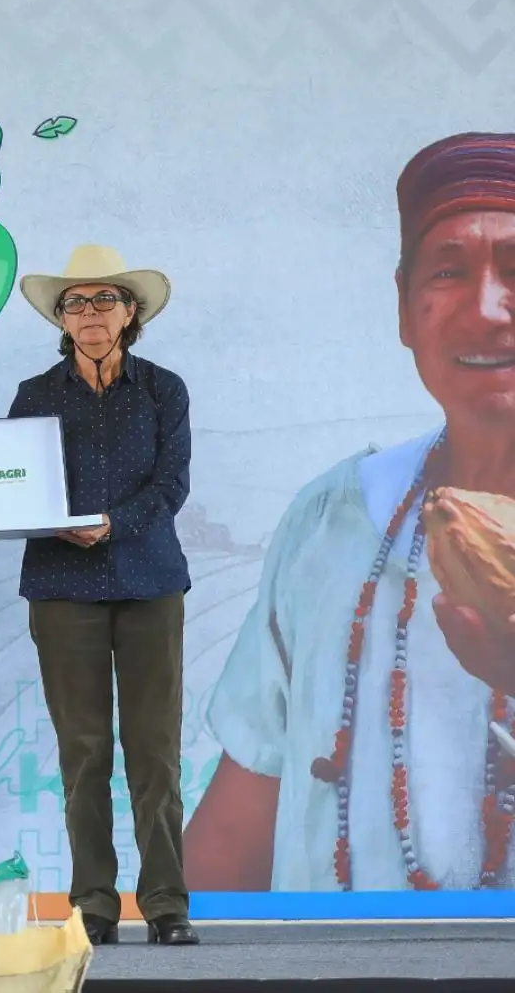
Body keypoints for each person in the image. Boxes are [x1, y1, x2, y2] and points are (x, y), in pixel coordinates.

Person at [187, 132, 515, 892]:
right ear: (404, 308)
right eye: (448, 271)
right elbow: (238, 824)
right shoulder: (336, 517)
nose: (486, 309)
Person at [0, 244, 198, 946]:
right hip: (62, 588)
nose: (90, 313)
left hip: (149, 582)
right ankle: (94, 904)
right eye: (76, 302)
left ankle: (166, 903)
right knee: (83, 753)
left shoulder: (163, 390)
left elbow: (172, 484)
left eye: (104, 299)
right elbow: (9, 485)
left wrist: (115, 524)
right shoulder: (35, 395)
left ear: (131, 311)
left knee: (155, 751)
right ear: (60, 318)